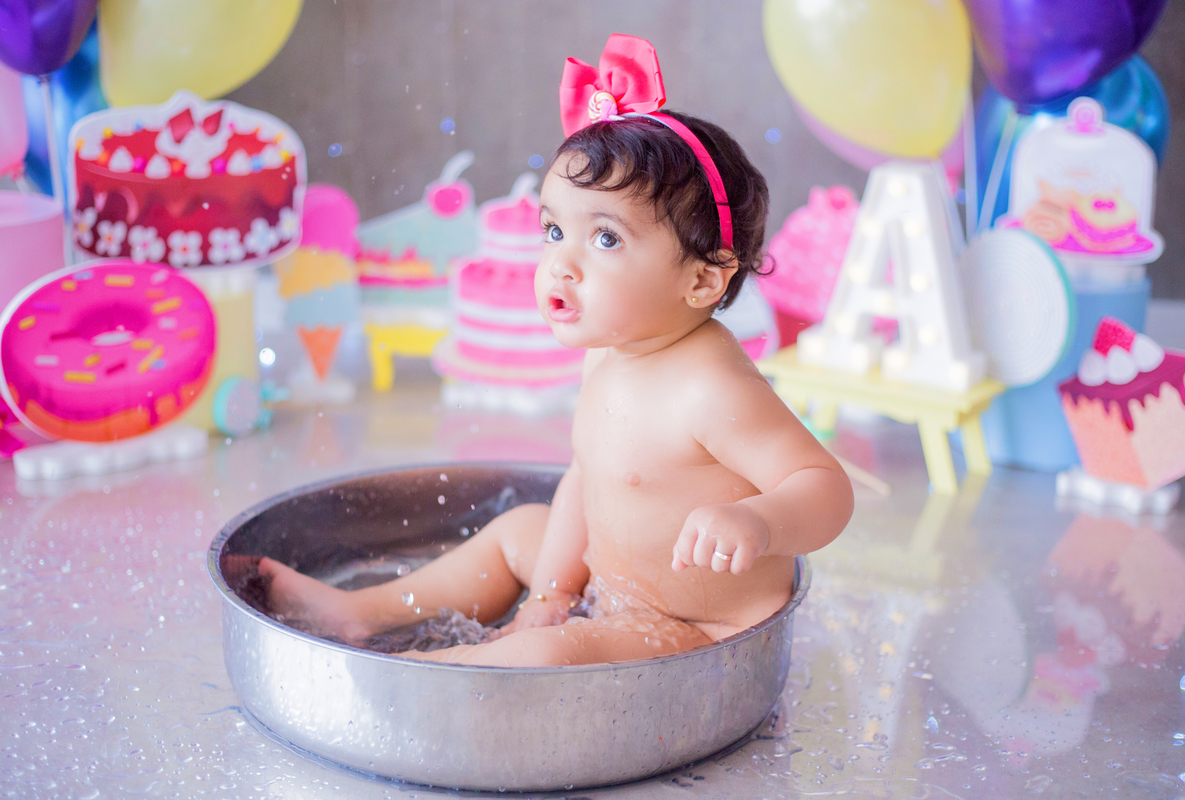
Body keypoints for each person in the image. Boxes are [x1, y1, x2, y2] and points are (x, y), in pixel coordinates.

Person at [260, 34, 853, 667]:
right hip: (611, 589)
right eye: (554, 229)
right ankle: (360, 613)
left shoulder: (711, 387)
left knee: (547, 657)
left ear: (703, 279)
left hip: (691, 630)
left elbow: (825, 489)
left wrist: (759, 522)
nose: (559, 264)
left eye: (604, 239)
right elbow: (586, 479)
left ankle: (418, 676)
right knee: (516, 531)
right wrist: (551, 590)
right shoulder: (611, 350)